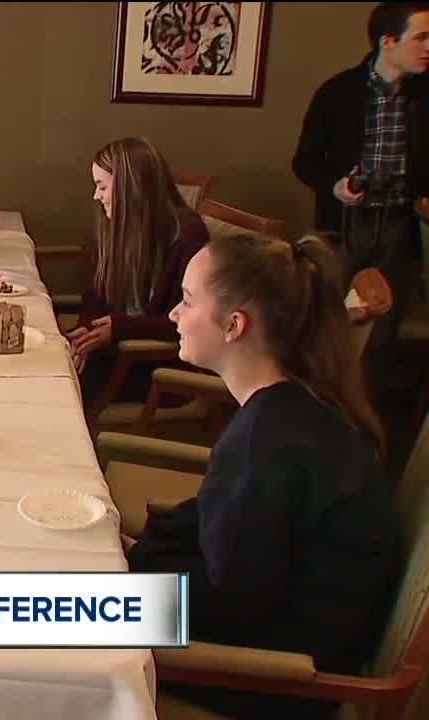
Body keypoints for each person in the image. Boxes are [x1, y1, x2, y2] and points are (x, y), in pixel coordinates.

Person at [127, 233, 399, 719]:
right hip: (281, 634)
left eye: (187, 300)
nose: (173, 314)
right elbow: (224, 541)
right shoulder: (296, 405)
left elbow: (228, 600)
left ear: (234, 325)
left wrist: (127, 580)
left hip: (275, 678)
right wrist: (137, 552)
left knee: (17, 623)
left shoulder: (266, 442)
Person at [291, 1, 429, 398]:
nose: (427, 47)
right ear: (389, 41)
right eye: (420, 37)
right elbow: (304, 162)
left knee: (382, 335)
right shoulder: (338, 93)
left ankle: (365, 422)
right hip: (344, 227)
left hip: (399, 227)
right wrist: (335, 186)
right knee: (329, 323)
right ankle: (321, 406)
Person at [70, 137, 210, 410]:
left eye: (101, 186)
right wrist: (84, 332)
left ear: (128, 187)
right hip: (115, 349)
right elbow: (94, 295)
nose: (96, 196)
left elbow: (187, 322)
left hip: (152, 362)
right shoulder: (114, 228)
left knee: (63, 388)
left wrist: (120, 328)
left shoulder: (187, 236)